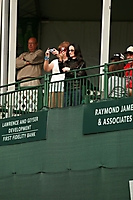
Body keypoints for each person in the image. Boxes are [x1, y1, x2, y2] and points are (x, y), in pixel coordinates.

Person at [43, 41, 70, 108]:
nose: (61, 52)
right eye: (60, 50)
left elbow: (64, 67)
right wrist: (47, 57)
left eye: (63, 50)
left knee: (61, 107)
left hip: (63, 88)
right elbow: (46, 69)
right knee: (51, 107)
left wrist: (59, 56)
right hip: (53, 88)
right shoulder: (55, 61)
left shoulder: (69, 61)